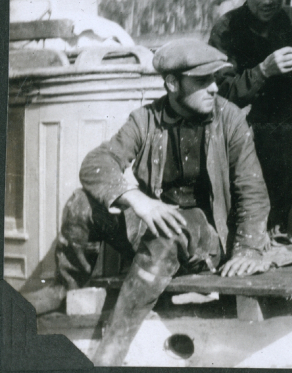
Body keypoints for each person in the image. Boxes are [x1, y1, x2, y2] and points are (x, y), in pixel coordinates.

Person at [24, 40, 272, 366]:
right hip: (155, 231)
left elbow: (252, 191)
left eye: (216, 79)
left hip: (207, 238)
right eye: (202, 81)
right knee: (82, 203)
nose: (214, 88)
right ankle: (64, 286)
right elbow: (95, 164)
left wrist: (249, 249)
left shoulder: (231, 120)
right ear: (172, 83)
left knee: (171, 228)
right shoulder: (145, 120)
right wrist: (137, 200)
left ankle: (110, 357)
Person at [209, 0, 292, 233]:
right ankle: (246, 236)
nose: (268, 0)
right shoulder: (227, 27)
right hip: (238, 123)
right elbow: (221, 92)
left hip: (282, 122)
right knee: (242, 193)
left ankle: (276, 229)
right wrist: (263, 71)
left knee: (285, 125)